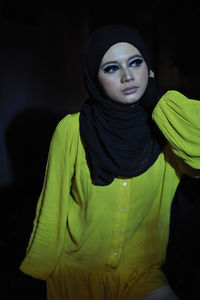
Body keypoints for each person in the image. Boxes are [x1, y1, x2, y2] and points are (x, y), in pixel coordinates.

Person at [19, 24, 200, 300]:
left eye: (135, 63)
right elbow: (51, 206)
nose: (128, 76)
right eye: (112, 68)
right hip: (75, 277)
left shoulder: (168, 129)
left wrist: (155, 97)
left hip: (141, 275)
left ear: (148, 68)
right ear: (95, 78)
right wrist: (38, 274)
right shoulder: (70, 130)